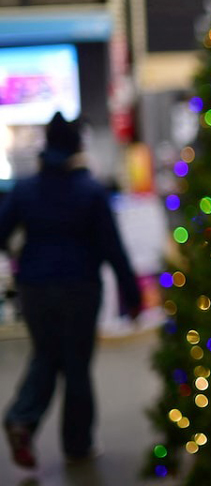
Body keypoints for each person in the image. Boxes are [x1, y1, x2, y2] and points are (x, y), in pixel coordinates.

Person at [0, 112, 141, 469]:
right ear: (77, 145)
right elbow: (113, 248)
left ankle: (21, 418)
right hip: (80, 288)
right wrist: (132, 295)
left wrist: (20, 254)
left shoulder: (26, 189)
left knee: (46, 355)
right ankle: (77, 446)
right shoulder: (91, 191)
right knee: (76, 366)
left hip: (34, 289)